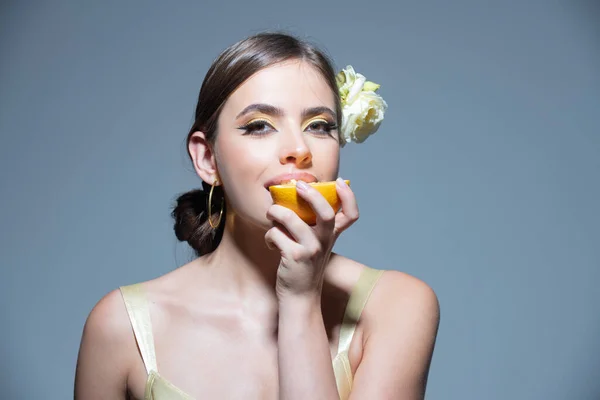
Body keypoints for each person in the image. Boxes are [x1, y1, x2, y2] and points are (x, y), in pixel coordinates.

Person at [74, 32, 440, 400]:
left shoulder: (396, 306)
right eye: (259, 125)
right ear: (207, 159)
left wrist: (300, 300)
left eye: (319, 126)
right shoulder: (122, 327)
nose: (299, 149)